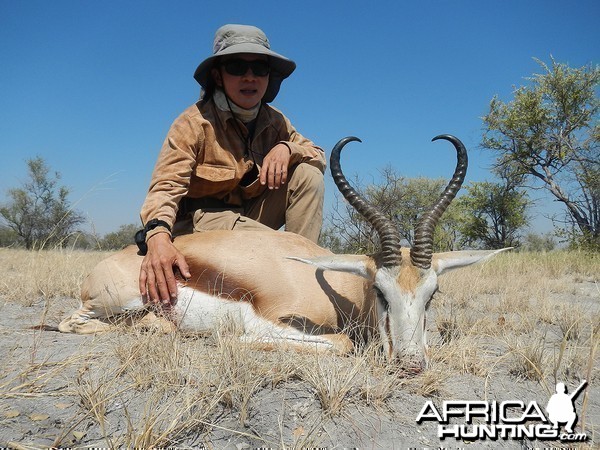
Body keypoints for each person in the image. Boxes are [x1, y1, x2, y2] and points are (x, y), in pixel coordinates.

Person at [137, 24, 326, 307]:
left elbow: (318, 155)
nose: (250, 77)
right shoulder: (193, 123)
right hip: (204, 220)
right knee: (285, 252)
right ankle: (298, 267)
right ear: (218, 75)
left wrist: (288, 148)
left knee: (308, 174)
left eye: (260, 68)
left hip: (250, 216)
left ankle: (301, 270)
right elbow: (166, 187)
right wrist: (158, 237)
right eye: (237, 66)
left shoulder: (275, 122)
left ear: (268, 76)